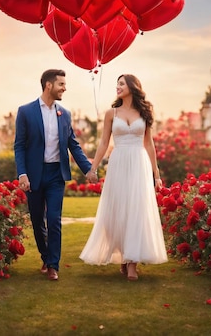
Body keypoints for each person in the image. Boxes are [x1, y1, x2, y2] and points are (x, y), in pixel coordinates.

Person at [80, 74, 168, 280]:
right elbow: (103, 143)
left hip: (139, 163)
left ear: (132, 86)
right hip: (118, 162)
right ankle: (123, 255)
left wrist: (157, 175)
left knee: (136, 210)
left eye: (121, 84)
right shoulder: (111, 113)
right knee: (118, 210)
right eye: (116, 84)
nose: (117, 87)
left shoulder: (144, 112)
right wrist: (93, 168)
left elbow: (149, 144)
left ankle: (132, 265)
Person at [14, 69, 93, 281]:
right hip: (34, 174)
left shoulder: (65, 114)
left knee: (54, 219)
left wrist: (88, 169)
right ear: (49, 85)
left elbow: (73, 145)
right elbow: (19, 146)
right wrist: (22, 174)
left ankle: (53, 265)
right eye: (61, 84)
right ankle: (45, 255)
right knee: (37, 219)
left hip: (56, 174)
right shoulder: (25, 112)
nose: (64, 88)